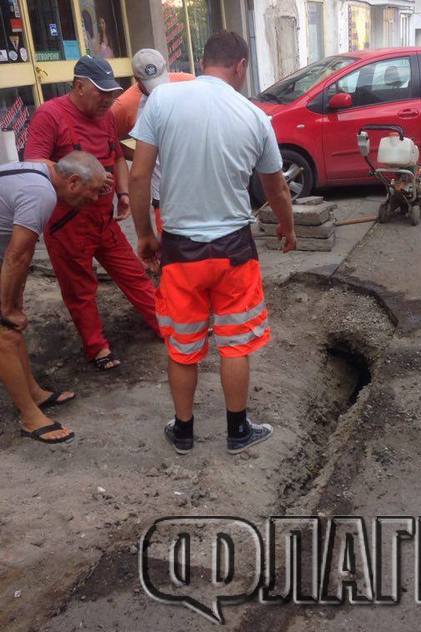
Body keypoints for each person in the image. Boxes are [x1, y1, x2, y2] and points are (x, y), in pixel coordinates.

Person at [129, 31, 296, 455]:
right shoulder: (254, 116)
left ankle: (183, 432)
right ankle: (237, 431)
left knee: (182, 347)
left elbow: (138, 175)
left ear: (203, 60)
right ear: (240, 65)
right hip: (233, 251)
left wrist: (146, 234)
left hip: (180, 250)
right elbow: (276, 189)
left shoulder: (163, 101)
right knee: (235, 342)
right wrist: (287, 227)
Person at [24, 55, 160, 370]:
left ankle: (166, 326)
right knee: (80, 288)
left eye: (112, 92)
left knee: (134, 273)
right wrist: (83, 177)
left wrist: (123, 193)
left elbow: (114, 156)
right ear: (79, 86)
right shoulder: (50, 115)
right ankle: (97, 348)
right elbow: (34, 163)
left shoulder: (107, 117)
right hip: (67, 221)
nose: (108, 99)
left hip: (103, 217)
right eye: (101, 92)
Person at [0, 151, 107, 445]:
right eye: (94, 191)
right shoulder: (41, 193)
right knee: (5, 331)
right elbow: (18, 254)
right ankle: (29, 416)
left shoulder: (44, 173)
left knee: (13, 322)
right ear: (73, 182)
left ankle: (33, 392)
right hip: (7, 255)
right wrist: (7, 307)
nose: (96, 199)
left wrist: (13, 302)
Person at [112, 49, 195, 233]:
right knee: (169, 255)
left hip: (197, 187)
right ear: (136, 79)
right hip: (165, 198)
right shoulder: (123, 106)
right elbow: (109, 140)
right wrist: (140, 156)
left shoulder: (188, 82)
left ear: (166, 67)